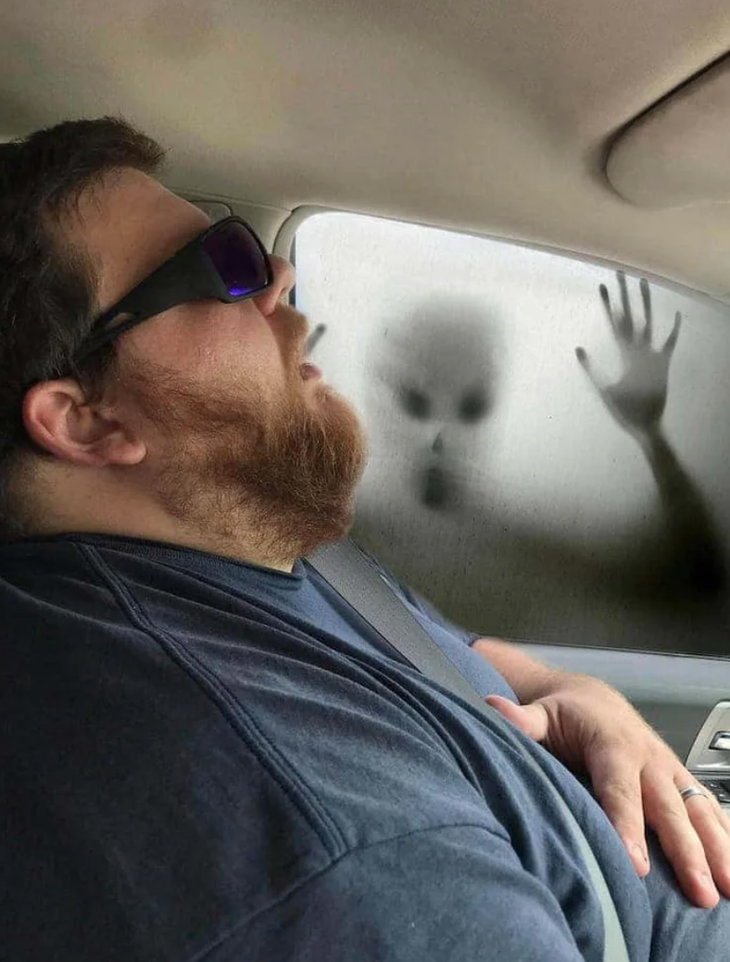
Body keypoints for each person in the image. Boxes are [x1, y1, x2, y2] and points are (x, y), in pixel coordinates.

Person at [1, 117, 729, 962]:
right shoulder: (338, 855)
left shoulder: (237, 552)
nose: (276, 277)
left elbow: (434, 643)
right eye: (215, 267)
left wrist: (573, 691)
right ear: (86, 422)